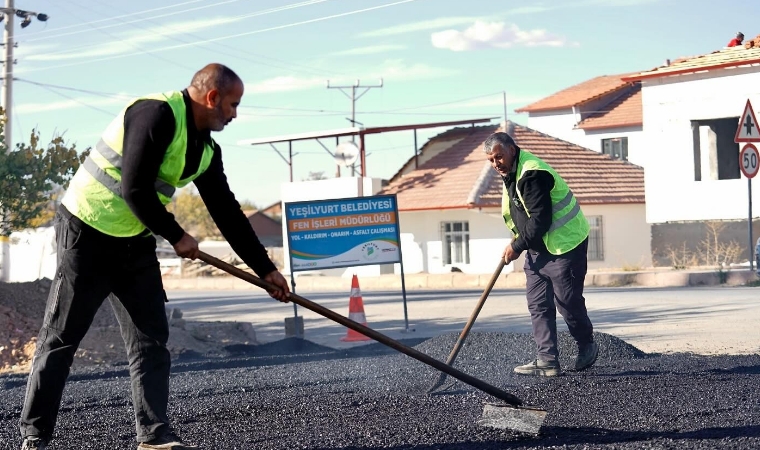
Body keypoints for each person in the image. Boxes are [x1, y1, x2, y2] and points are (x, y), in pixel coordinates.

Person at [18, 63, 291, 450]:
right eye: (232, 104)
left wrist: (266, 270)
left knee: (151, 341)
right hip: (87, 232)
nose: (234, 114)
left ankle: (154, 435)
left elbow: (228, 213)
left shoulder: (206, 151)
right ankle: (35, 435)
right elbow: (134, 188)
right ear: (212, 97)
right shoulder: (155, 113)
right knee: (62, 338)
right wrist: (178, 235)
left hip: (135, 241)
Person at [483, 131, 598, 377]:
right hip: (537, 247)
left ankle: (586, 344)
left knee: (567, 301)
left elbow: (541, 219)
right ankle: (547, 361)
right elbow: (522, 214)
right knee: (538, 304)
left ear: (512, 150)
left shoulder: (532, 174)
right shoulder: (510, 174)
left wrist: (516, 246)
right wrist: (520, 241)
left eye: (498, 157)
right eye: (491, 160)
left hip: (565, 245)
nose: (495, 164)